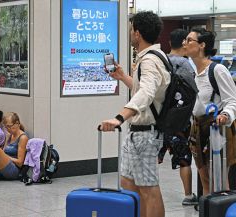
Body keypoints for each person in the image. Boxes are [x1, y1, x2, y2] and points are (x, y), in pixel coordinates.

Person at [100, 11, 169, 217]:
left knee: (148, 189)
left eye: (131, 30)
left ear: (137, 33)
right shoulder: (150, 58)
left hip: (146, 134)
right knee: (129, 184)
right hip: (137, 133)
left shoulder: (149, 61)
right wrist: (123, 77)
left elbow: (147, 94)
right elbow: (145, 91)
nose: (130, 34)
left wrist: (119, 117)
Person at [184, 27, 236, 196]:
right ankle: (206, 210)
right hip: (198, 129)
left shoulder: (217, 70)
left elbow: (232, 100)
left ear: (202, 45)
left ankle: (221, 210)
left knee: (219, 180)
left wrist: (225, 115)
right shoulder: (192, 73)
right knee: (204, 177)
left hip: (218, 129)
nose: (185, 43)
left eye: (189, 40)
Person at [157, 28, 198, 206]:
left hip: (159, 118)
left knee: (153, 157)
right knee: (184, 158)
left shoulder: (161, 61)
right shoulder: (187, 65)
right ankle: (188, 195)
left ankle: (148, 190)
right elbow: (192, 94)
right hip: (180, 121)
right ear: (183, 43)